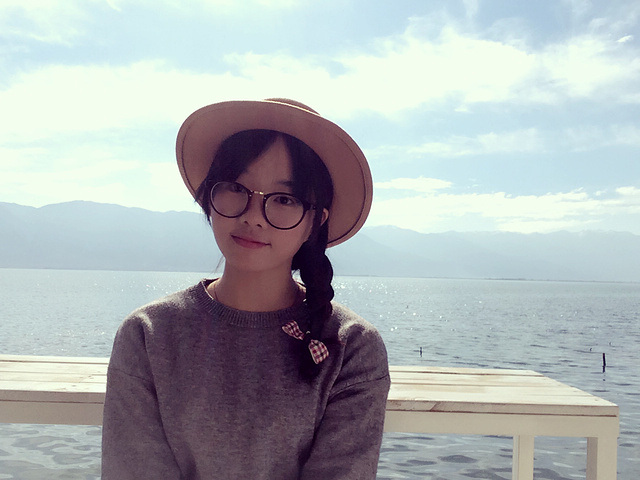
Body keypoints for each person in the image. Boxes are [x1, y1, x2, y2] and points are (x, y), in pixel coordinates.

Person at [101, 98, 390, 479]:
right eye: (236, 188)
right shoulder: (148, 334)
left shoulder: (350, 347)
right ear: (209, 197)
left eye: (284, 199)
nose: (253, 216)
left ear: (315, 222)